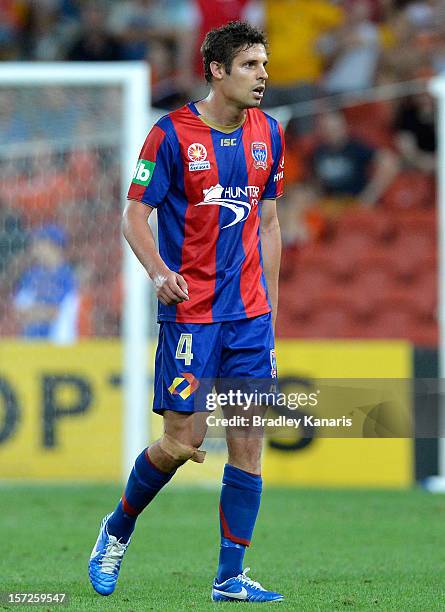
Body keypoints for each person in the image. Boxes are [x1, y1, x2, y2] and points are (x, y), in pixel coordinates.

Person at [88, 21, 285, 602]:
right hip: (191, 314)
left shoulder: (269, 134)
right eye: (250, 65)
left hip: (249, 315)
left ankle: (230, 576)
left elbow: (269, 224)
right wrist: (158, 272)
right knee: (180, 441)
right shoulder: (169, 134)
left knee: (248, 438)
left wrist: (272, 311)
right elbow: (133, 216)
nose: (263, 76)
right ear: (217, 71)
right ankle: (116, 530)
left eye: (265, 65)